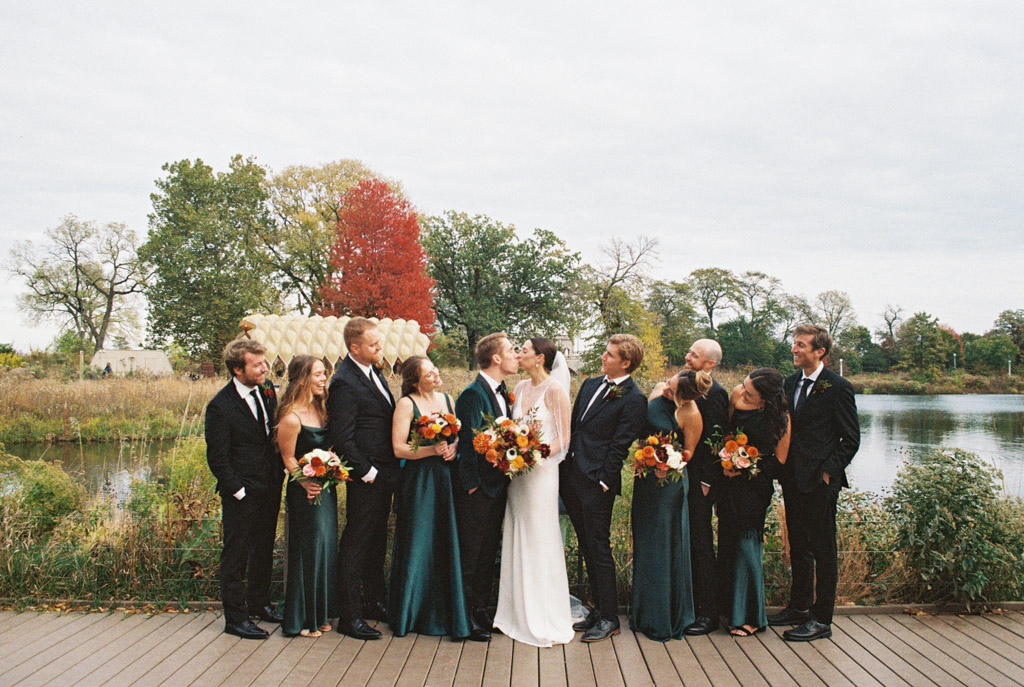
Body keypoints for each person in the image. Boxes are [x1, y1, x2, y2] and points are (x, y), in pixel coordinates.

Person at [770, 324, 860, 642]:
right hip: (792, 479)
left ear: (819, 351)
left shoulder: (838, 387)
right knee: (799, 546)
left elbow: (851, 440)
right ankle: (799, 608)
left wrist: (827, 472)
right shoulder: (789, 383)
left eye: (801, 345)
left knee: (823, 549)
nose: (794, 349)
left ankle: (821, 619)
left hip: (821, 482)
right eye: (794, 344)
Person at [561, 333, 648, 642]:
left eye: (610, 355)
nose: (603, 357)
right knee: (586, 544)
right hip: (571, 476)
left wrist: (603, 480)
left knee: (599, 547)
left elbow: (620, 445)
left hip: (597, 483)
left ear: (626, 362)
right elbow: (576, 427)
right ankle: (597, 610)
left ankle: (610, 616)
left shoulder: (634, 398)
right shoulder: (588, 385)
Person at [493, 337, 574, 647]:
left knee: (540, 537)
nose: (519, 354)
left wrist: (533, 455)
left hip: (541, 475)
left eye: (523, 350)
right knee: (517, 533)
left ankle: (542, 614)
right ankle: (513, 612)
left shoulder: (555, 390)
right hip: (518, 477)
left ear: (540, 358)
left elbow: (564, 440)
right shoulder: (522, 388)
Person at [204, 338, 284, 639]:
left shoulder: (266, 391)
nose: (265, 368)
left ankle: (260, 604)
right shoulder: (220, 406)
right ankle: (235, 619)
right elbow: (218, 458)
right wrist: (238, 491)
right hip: (242, 494)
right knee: (235, 555)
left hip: (270, 485)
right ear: (238, 369)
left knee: (263, 548)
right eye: (257, 364)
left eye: (264, 362)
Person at [387, 356, 470, 639]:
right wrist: (429, 451)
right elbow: (399, 449)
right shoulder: (406, 404)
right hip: (420, 480)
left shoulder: (448, 399)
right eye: (429, 373)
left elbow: (459, 436)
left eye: (436, 369)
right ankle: (411, 613)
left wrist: (454, 447)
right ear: (414, 381)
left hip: (446, 478)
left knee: (445, 538)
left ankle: (447, 611)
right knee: (419, 539)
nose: (436, 375)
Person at [326, 317, 397, 640]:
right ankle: (350, 616)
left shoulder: (374, 372)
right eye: (373, 344)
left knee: (376, 541)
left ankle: (373, 601)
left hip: (384, 474)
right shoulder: (343, 382)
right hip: (367, 476)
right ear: (354, 348)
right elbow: (342, 437)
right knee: (356, 543)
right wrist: (366, 472)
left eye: (379, 342)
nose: (380, 347)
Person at [630, 369, 711, 641]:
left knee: (664, 545)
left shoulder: (691, 414)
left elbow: (688, 452)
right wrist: (644, 457)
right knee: (645, 542)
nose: (665, 388)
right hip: (645, 481)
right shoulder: (657, 390)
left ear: (683, 397)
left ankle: (665, 615)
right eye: (667, 382)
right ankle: (643, 612)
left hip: (669, 485)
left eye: (671, 389)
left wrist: (668, 463)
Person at [455, 332, 520, 642]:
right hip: (478, 491)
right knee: (471, 554)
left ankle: (480, 609)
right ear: (496, 358)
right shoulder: (472, 394)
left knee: (486, 554)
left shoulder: (503, 391)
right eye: (511, 350)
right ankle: (464, 618)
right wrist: (471, 487)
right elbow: (468, 445)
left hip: (497, 488)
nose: (516, 355)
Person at [716, 368, 790, 637]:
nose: (743, 391)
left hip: (755, 487)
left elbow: (779, 460)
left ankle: (751, 617)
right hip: (728, 483)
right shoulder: (736, 395)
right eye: (744, 386)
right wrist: (725, 461)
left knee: (747, 545)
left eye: (750, 391)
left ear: (765, 399)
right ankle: (728, 608)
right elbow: (724, 433)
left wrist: (747, 467)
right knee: (727, 540)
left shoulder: (780, 417)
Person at [275, 355, 338, 638]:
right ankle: (302, 619)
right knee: (307, 551)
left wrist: (332, 463)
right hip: (305, 492)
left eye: (325, 374)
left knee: (325, 548)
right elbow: (288, 458)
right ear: (302, 378)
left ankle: (321, 613)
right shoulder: (291, 417)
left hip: (326, 489)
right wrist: (304, 481)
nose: (323, 379)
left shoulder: (322, 410)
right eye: (318, 374)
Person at [679, 339, 730, 636]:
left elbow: (716, 441)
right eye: (689, 352)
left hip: (701, 483)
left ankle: (709, 613)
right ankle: (685, 605)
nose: (687, 358)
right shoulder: (684, 389)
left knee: (700, 545)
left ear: (709, 364)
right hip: (677, 477)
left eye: (694, 356)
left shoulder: (717, 394)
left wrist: (707, 482)